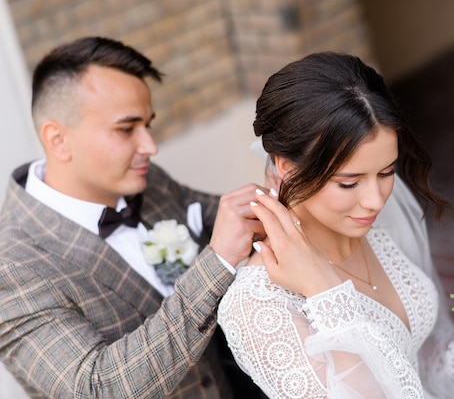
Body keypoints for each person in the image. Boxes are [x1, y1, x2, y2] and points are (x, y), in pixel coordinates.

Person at [217, 52, 454, 399]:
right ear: (286, 167)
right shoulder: (256, 305)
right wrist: (324, 292)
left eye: (386, 173)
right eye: (349, 182)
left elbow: (416, 353)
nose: (376, 200)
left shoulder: (376, 230)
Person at [0, 36, 268, 399]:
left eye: (148, 124)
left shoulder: (145, 179)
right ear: (58, 139)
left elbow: (221, 219)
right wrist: (217, 261)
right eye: (126, 129)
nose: (150, 147)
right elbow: (98, 388)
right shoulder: (11, 266)